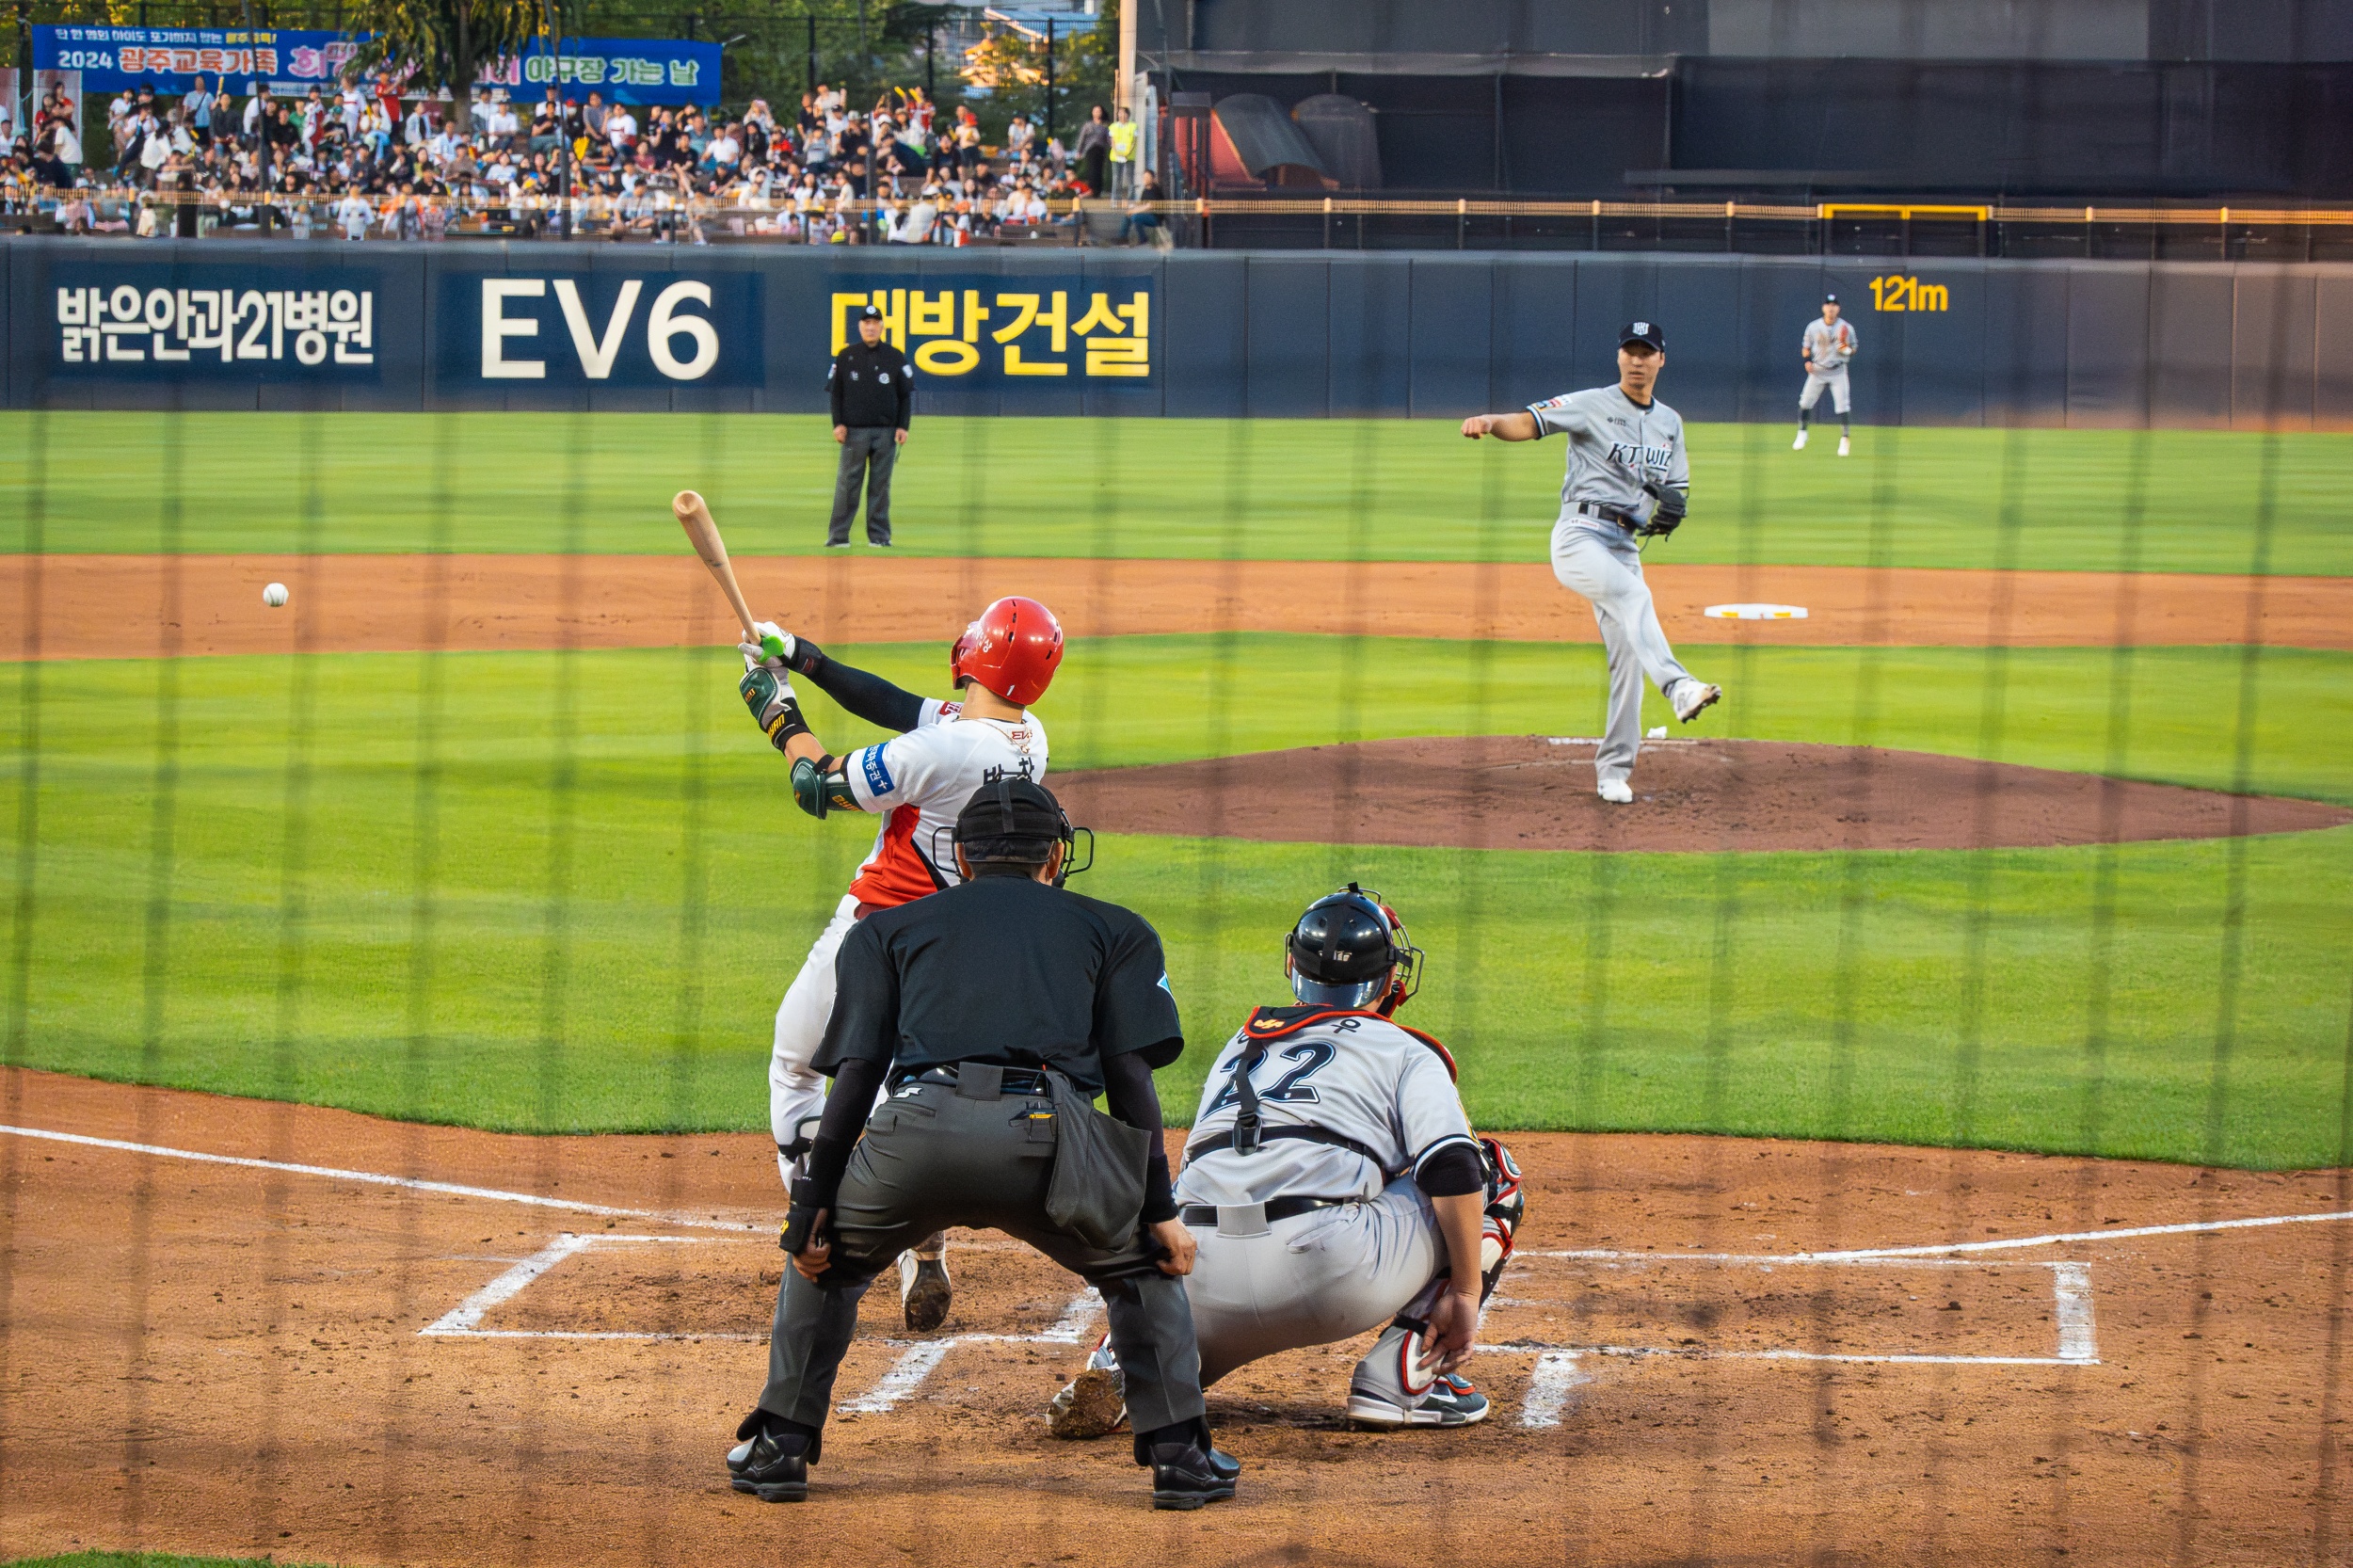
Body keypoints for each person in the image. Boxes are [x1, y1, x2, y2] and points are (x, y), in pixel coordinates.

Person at [724, 775, 1236, 1511]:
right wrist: (1157, 1211)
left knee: (824, 1263)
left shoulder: (883, 932)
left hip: (914, 1137)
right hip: (1048, 1143)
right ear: (1055, 855)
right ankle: (1180, 1457)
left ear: (961, 856)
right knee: (1141, 1271)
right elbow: (1131, 1083)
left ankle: (780, 1446)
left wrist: (810, 1209)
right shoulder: (1117, 929)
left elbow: (856, 1078)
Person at [1047, 884, 1527, 1436]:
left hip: (1196, 1275)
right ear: (1391, 978)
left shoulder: (1240, 1045)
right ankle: (1402, 1380)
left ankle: (1140, 1358)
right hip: (1327, 1274)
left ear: (1292, 964)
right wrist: (1465, 1292)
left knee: (1208, 1187)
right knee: (1491, 1171)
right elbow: (1453, 1167)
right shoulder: (1404, 1050)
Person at [739, 591, 1064, 1335]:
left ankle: (825, 1235)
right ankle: (926, 1247)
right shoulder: (1025, 736)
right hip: (954, 948)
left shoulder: (946, 751)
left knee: (797, 1066)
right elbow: (899, 707)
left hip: (874, 935)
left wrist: (775, 710)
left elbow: (817, 785)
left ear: (978, 654)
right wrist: (804, 656)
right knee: (905, 1092)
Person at [1459, 321, 1721, 804]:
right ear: (1619, 357)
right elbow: (1529, 422)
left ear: (1661, 360)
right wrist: (1491, 422)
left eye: (1646, 352)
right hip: (1579, 536)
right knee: (1636, 596)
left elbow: (1677, 488)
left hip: (1625, 545)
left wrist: (1673, 507)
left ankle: (1614, 772)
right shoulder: (1591, 404)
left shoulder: (1670, 423)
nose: (1637, 360)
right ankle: (1680, 686)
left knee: (1629, 655)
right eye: (1630, 351)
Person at [826, 302, 911, 547]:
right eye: (866, 323)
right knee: (847, 486)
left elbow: (905, 395)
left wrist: (903, 426)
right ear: (859, 326)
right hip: (854, 432)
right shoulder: (846, 356)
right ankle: (838, 537)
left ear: (882, 326)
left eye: (875, 323)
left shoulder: (894, 356)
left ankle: (880, 537)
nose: (871, 327)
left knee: (880, 487)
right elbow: (836, 394)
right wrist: (838, 424)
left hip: (885, 432)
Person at [1796, 293, 1858, 456]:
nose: (1831, 308)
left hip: (1838, 370)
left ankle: (1845, 439)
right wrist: (1807, 361)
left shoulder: (1846, 327)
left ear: (1838, 308)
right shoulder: (1813, 327)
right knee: (1805, 402)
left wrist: (1846, 350)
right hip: (1818, 370)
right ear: (1823, 308)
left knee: (1843, 406)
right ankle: (1802, 433)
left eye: (1834, 305)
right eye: (1828, 305)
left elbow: (1854, 348)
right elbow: (1806, 347)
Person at [1074, 103, 1111, 195]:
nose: (1097, 113)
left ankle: (1098, 190)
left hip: (1101, 150)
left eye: (1099, 111)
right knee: (1092, 170)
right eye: (1095, 111)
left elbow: (1108, 139)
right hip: (1090, 150)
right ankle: (1091, 190)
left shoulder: (1105, 126)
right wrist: (1079, 151)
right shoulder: (1088, 125)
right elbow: (1082, 138)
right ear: (1092, 113)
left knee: (1099, 170)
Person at [1108, 104, 1137, 195]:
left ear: (1128, 114)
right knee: (1117, 178)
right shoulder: (1113, 126)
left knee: (1130, 178)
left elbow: (1134, 141)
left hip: (1129, 156)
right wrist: (1117, 153)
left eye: (1124, 113)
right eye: (1120, 113)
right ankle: (1115, 199)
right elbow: (1112, 141)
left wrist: (1128, 153)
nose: (1122, 115)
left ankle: (1131, 198)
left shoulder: (1133, 126)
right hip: (1116, 156)